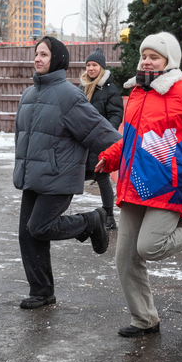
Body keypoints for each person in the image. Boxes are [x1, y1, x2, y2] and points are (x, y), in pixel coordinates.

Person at [97, 32, 182, 337]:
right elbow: (131, 140)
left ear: (169, 61)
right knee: (125, 259)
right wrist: (111, 157)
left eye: (154, 56)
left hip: (168, 187)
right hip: (133, 186)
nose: (146, 60)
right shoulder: (137, 94)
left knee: (150, 247)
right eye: (144, 55)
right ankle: (145, 319)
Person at [13, 36, 121, 310]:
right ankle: (42, 292)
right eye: (36, 53)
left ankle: (91, 221)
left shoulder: (68, 95)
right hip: (32, 175)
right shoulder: (28, 95)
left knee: (39, 227)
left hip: (59, 176)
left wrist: (130, 154)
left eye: (44, 54)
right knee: (28, 235)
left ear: (57, 60)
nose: (37, 58)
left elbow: (101, 132)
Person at [80, 47, 124, 230]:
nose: (91, 68)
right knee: (74, 175)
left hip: (99, 141)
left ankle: (109, 217)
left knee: (102, 178)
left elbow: (116, 114)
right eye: (88, 65)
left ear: (102, 68)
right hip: (82, 141)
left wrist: (105, 133)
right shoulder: (81, 87)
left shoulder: (110, 89)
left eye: (94, 65)